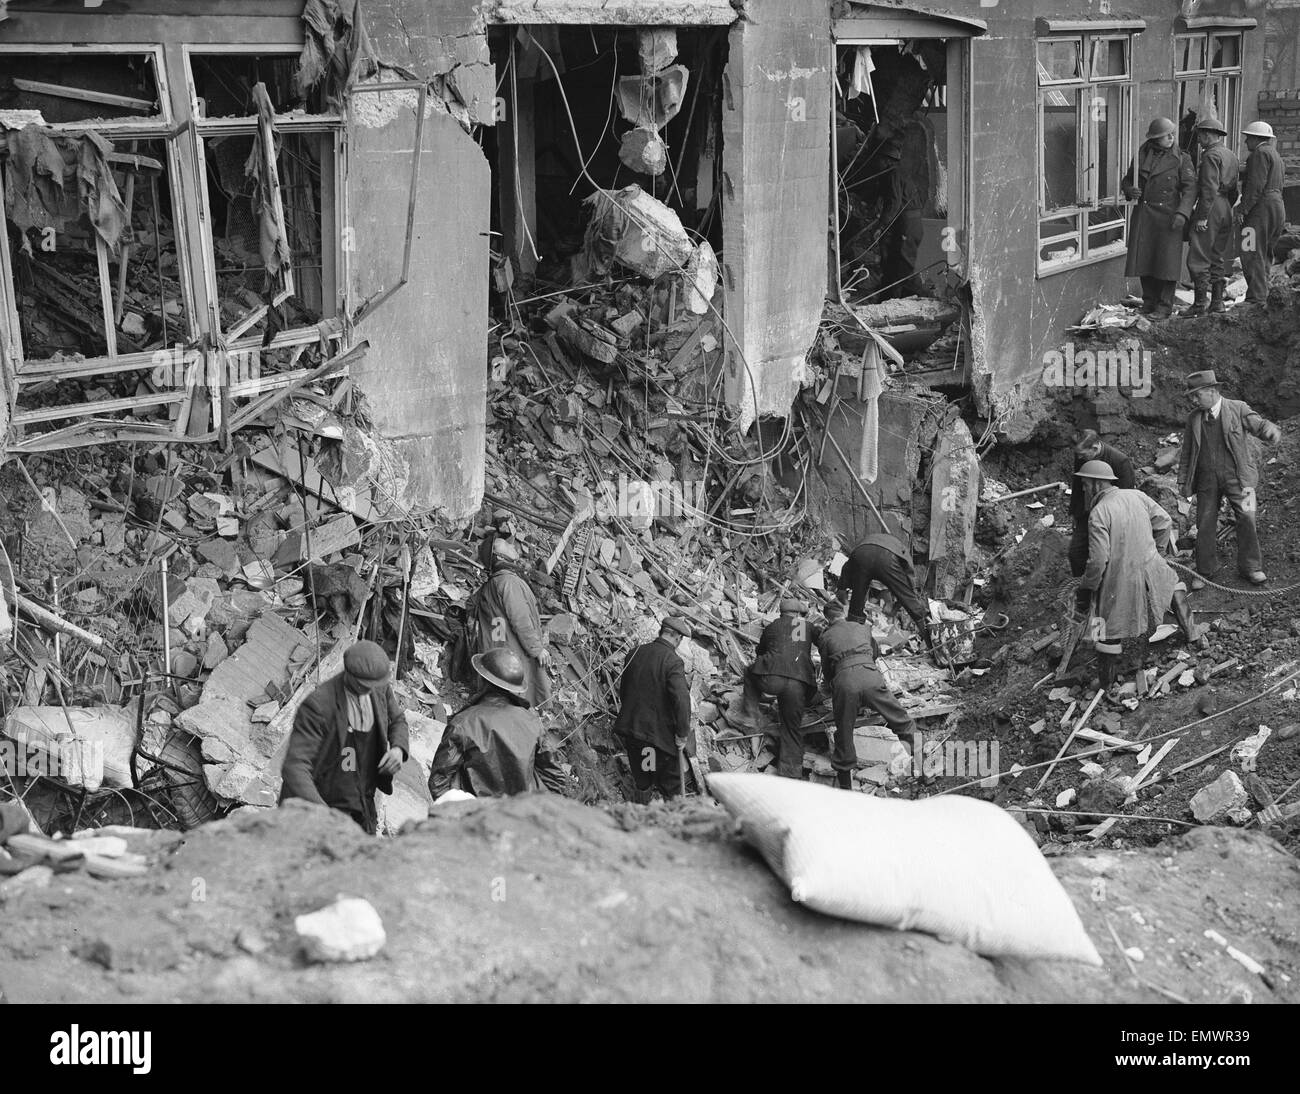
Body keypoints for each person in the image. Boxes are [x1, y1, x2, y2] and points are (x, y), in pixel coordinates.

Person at [279, 639, 409, 835]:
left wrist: (398, 749)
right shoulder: (319, 706)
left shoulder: (379, 688)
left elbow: (397, 720)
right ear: (351, 677)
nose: (372, 690)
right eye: (366, 686)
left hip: (362, 799)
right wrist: (325, 815)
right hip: (324, 803)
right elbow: (295, 767)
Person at [1074, 462, 1181, 692]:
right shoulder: (1137, 496)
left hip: (1119, 577)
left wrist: (1087, 588)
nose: (1084, 490)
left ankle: (1106, 682)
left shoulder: (1099, 512)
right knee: (1168, 588)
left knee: (1101, 624)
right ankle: (1188, 634)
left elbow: (1098, 560)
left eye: (1085, 485)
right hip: (1150, 567)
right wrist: (1158, 554)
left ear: (1096, 484)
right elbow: (1164, 522)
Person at [1178, 370, 1282, 587]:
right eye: (1192, 397)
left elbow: (1259, 425)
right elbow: (1187, 451)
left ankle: (1251, 568)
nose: (1194, 401)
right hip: (1207, 480)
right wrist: (1182, 480)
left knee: (1248, 517)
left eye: (1197, 396)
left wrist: (1270, 430)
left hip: (1242, 479)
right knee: (1204, 522)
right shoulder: (1194, 418)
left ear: (1213, 391)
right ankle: (1205, 571)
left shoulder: (1238, 408)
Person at [426, 647, 567, 799]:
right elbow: (555, 780)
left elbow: (439, 782)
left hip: (477, 815)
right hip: (518, 815)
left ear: (482, 680)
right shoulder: (533, 723)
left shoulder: (464, 723)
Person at [816, 600, 914, 790]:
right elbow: (875, 653)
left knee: (844, 733)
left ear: (827, 619)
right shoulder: (863, 628)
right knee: (901, 720)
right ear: (843, 613)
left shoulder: (825, 636)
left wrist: (831, 689)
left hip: (845, 683)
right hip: (871, 676)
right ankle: (926, 764)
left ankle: (846, 787)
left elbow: (828, 673)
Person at [735, 599, 820, 779]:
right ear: (797, 614)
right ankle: (790, 773)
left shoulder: (773, 626)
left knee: (750, 672)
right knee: (791, 728)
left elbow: (760, 651)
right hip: (798, 684)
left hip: (771, 679)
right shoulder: (806, 626)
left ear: (781, 613)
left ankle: (750, 713)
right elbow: (824, 642)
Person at [613, 616, 694, 803]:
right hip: (657, 738)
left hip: (634, 732)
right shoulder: (673, 661)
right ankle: (673, 822)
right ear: (677, 638)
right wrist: (682, 734)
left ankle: (641, 813)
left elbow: (624, 690)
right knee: (672, 786)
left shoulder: (635, 652)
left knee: (644, 776)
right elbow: (681, 700)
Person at [1123, 117, 1196, 319]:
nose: (1172, 137)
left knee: (1167, 264)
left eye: (1173, 133)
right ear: (1156, 138)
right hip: (1145, 214)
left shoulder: (1182, 158)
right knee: (1144, 260)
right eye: (1167, 135)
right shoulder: (1142, 154)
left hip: (1169, 217)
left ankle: (1164, 307)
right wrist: (1130, 190)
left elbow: (1190, 189)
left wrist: (1182, 213)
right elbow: (1128, 178)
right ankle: (1149, 302)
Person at [471, 535, 552, 707]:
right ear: (499, 556)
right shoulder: (508, 582)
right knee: (516, 697)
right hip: (512, 653)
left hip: (501, 651)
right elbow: (520, 619)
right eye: (506, 545)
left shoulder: (495, 583)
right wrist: (536, 649)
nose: (512, 546)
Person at [839, 532, 936, 657]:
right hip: (887, 557)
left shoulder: (856, 555)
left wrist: (846, 608)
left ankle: (854, 647)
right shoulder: (902, 552)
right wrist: (895, 610)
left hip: (861, 554)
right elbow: (908, 591)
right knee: (914, 607)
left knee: (856, 608)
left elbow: (841, 592)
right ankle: (933, 648)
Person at [1183, 115, 1240, 317]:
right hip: (1226, 206)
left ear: (1207, 135)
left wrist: (1203, 217)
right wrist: (1226, 208)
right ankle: (1217, 303)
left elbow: (1208, 188)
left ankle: (1200, 304)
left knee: (1198, 254)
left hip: (1211, 206)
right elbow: (1235, 190)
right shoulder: (1231, 155)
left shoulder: (1209, 156)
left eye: (1200, 136)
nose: (1198, 140)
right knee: (1217, 255)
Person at [1069, 431, 1135, 577]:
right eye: (1078, 454)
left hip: (1112, 517)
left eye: (1082, 454)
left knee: (1107, 557)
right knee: (1076, 553)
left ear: (1095, 448)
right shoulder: (1081, 454)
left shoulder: (1120, 461)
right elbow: (1078, 486)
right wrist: (1075, 512)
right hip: (1087, 512)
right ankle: (1080, 588)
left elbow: (1127, 496)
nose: (1079, 458)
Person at [1239, 120, 1286, 307]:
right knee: (1265, 252)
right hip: (1277, 206)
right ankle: (1261, 293)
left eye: (1247, 138)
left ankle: (1255, 298)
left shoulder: (1258, 154)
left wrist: (1242, 210)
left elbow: (1255, 186)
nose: (1245, 143)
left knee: (1249, 249)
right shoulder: (1275, 155)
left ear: (1256, 138)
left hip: (1260, 209)